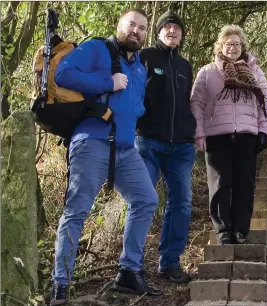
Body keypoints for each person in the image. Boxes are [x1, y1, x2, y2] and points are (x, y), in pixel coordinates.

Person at [50, 8, 162, 306]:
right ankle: (60, 284)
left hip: (126, 149)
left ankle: (128, 270)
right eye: (131, 25)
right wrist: (107, 83)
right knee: (77, 211)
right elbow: (63, 74)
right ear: (119, 26)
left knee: (147, 199)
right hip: (92, 142)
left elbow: (135, 104)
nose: (136, 31)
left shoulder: (139, 65)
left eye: (142, 28)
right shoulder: (97, 48)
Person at [190, 24, 267, 245]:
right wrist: (199, 133)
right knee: (219, 184)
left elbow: (264, 101)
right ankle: (223, 231)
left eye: (236, 44)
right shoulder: (207, 72)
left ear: (242, 46)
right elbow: (196, 103)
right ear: (220, 46)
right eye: (228, 44)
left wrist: (263, 130)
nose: (232, 48)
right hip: (216, 135)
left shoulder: (254, 70)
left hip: (247, 134)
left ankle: (241, 230)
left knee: (245, 183)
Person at [135, 10, 196, 284]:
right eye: (167, 27)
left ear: (182, 35)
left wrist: (191, 132)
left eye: (176, 28)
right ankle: (132, 266)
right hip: (149, 142)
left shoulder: (185, 65)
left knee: (181, 203)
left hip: (181, 147)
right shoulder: (145, 57)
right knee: (143, 202)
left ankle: (170, 263)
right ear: (158, 32)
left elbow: (188, 102)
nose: (172, 31)